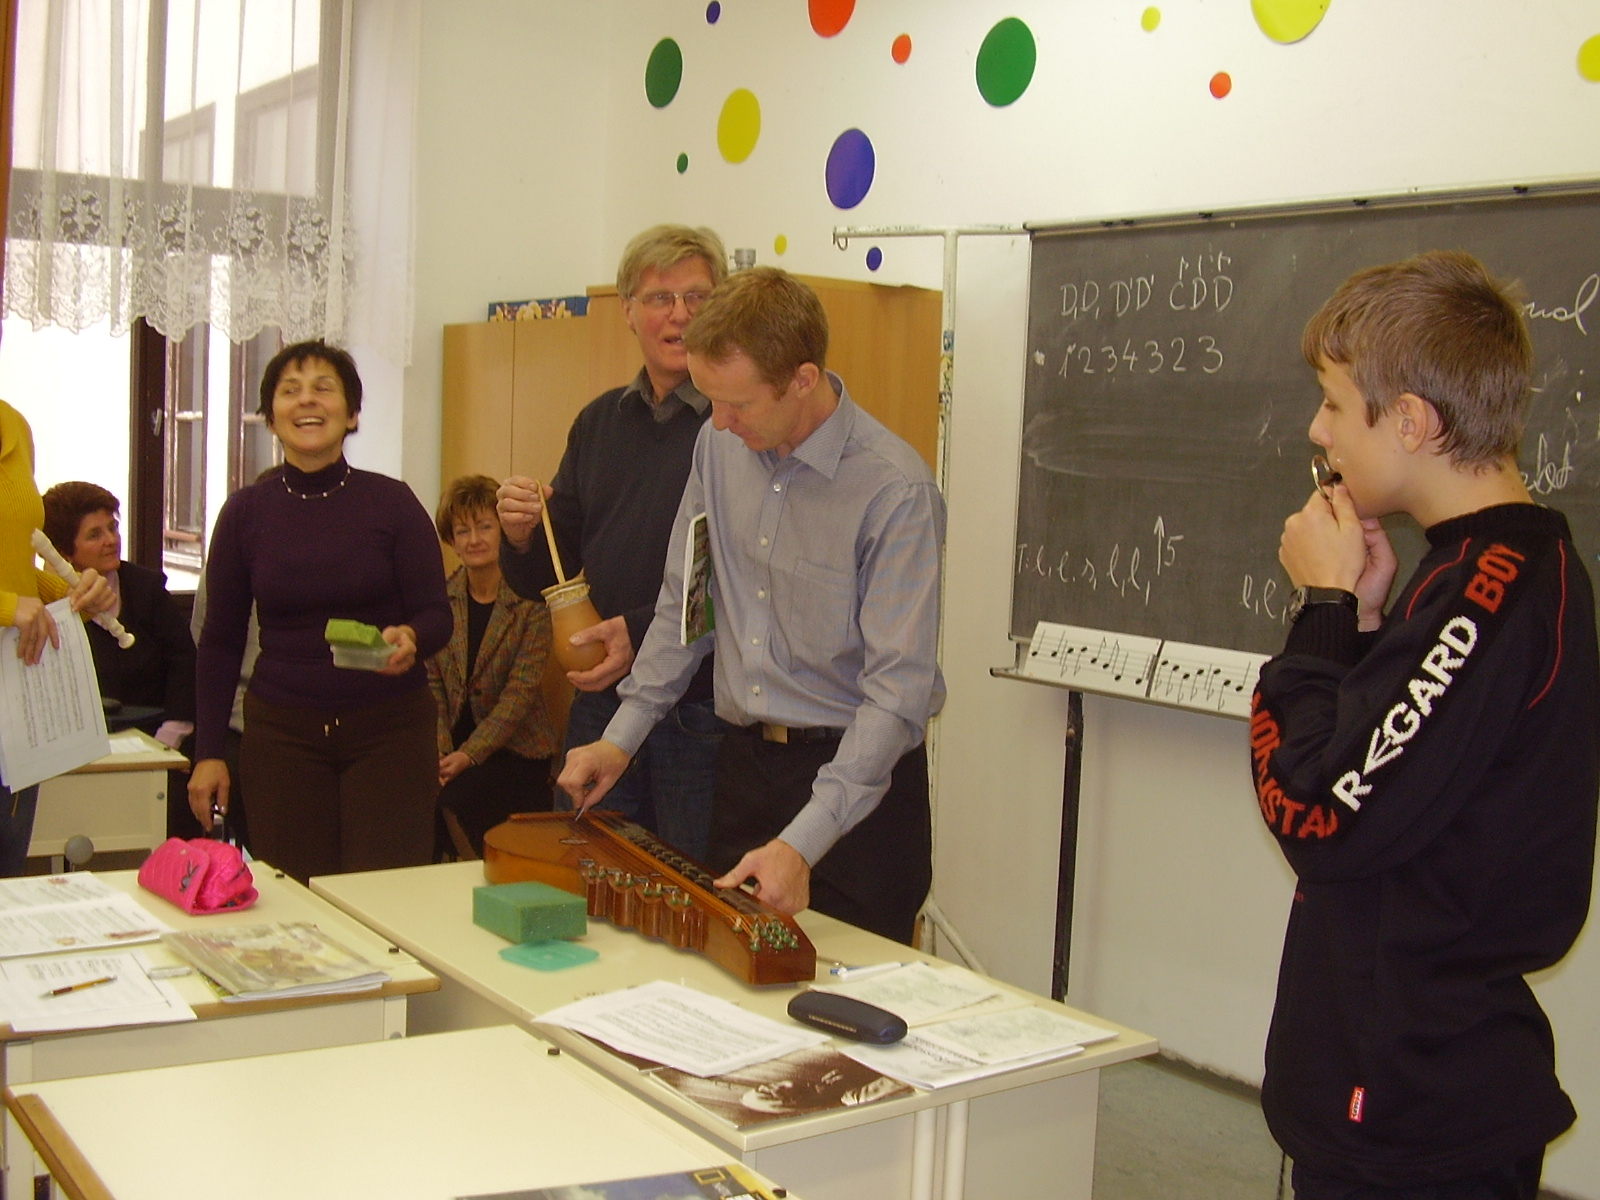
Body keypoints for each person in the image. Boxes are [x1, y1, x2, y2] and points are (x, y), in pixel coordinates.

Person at [1251, 250, 1599, 1199]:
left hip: (1414, 1117)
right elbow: (1401, 772)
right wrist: (1364, 623)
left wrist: (1324, 611)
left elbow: (1320, 813)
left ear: (1409, 421)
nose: (1317, 429)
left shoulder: (1487, 595)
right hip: (1411, 1086)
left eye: (1333, 403)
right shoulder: (1480, 575)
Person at [558, 268, 946, 945]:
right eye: (711, 399)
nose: (720, 421)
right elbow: (689, 606)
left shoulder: (894, 492)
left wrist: (803, 842)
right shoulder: (718, 447)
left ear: (802, 379)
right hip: (741, 773)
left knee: (852, 992)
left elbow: (896, 697)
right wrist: (621, 739)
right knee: (734, 983)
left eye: (737, 403)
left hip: (858, 792)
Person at [496, 225, 728, 863]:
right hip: (600, 704)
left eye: (697, 296)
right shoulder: (600, 421)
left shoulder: (737, 423)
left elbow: (744, 575)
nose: (679, 314)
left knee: (688, 889)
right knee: (587, 878)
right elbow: (553, 571)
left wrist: (639, 630)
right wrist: (521, 535)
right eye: (659, 298)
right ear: (627, 311)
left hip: (698, 712)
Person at [189, 341, 451, 882]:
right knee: (296, 897)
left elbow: (436, 613)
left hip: (390, 734)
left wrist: (412, 637)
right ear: (271, 418)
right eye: (290, 390)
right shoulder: (244, 514)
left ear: (351, 414)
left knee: (385, 895)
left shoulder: (393, 503)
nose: (307, 400)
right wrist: (208, 752)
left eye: (323, 388)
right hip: (282, 736)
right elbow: (220, 642)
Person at [41, 480, 201, 834]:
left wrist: (167, 741)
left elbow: (184, 662)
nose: (111, 540)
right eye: (95, 534)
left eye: (112, 528)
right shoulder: (47, 604)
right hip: (80, 753)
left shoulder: (146, 589)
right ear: (65, 551)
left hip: (158, 740)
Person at [0, 402, 113, 874]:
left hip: (14, 688)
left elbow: (14, 563)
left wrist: (68, 594)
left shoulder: (13, 424)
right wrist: (6, 607)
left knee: (8, 876)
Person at [427, 474, 559, 857]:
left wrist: (469, 755)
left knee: (453, 799)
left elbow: (520, 695)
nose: (474, 539)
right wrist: (441, 752)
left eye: (485, 527)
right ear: (451, 540)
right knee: (412, 795)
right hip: (453, 744)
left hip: (515, 751)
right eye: (462, 530)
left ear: (503, 531)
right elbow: (432, 684)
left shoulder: (532, 602)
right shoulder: (440, 600)